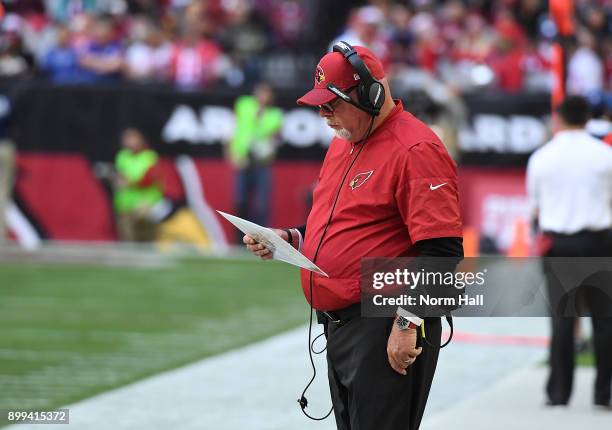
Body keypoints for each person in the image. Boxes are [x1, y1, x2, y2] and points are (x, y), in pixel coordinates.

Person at [243, 43, 463, 429]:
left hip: (385, 320)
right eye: (320, 105)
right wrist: (290, 237)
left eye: (333, 104)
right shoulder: (344, 143)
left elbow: (443, 251)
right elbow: (339, 224)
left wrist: (407, 323)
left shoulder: (416, 148)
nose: (323, 114)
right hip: (342, 324)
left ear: (372, 95)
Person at [526, 95, 612, 408]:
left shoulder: (542, 157)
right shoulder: (605, 155)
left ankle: (558, 393)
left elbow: (533, 209)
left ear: (559, 119)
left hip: (559, 244)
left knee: (562, 320)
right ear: (588, 119)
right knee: (605, 320)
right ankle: (606, 393)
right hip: (599, 240)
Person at [228, 82, 283, 232]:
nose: (264, 97)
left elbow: (275, 138)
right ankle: (239, 239)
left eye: (267, 94)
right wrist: (232, 152)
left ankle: (263, 235)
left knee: (263, 202)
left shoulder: (275, 114)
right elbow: (234, 127)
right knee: (240, 200)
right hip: (243, 158)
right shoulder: (244, 104)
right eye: (261, 93)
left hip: (261, 161)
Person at [114, 128, 163, 242]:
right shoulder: (122, 156)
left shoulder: (150, 157)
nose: (129, 142)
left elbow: (150, 180)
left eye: (132, 138)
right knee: (127, 237)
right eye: (127, 139)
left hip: (145, 203)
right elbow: (120, 176)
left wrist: (130, 183)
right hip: (125, 204)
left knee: (145, 234)